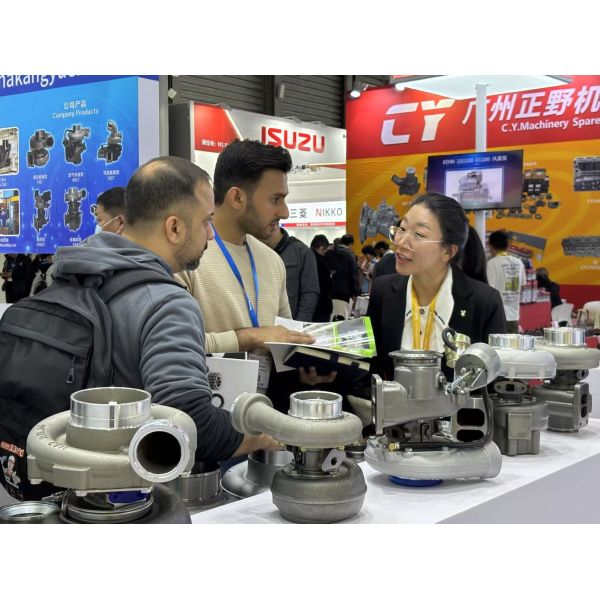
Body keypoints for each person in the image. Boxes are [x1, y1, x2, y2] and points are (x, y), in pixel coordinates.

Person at [51, 156, 279, 466]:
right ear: (174, 227)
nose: (211, 235)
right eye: (206, 222)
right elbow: (187, 424)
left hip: (57, 463)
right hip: (124, 481)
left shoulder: (68, 275)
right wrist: (260, 437)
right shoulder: (167, 303)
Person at [368, 193, 507, 381]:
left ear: (448, 251)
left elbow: (495, 380)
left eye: (418, 234)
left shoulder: (484, 302)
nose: (400, 242)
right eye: (402, 229)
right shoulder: (383, 291)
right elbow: (372, 365)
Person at [265, 225, 319, 321]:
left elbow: (309, 293)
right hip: (260, 324)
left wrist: (298, 326)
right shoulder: (252, 250)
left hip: (289, 323)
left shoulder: (301, 251)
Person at [486, 229, 526, 334]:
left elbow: (489, 291)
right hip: (514, 315)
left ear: (490, 245)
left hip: (497, 316)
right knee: (513, 343)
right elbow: (522, 287)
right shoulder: (519, 263)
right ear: (507, 245)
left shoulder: (492, 263)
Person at [325, 233, 360, 304]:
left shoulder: (329, 253)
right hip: (345, 290)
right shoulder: (350, 255)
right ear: (350, 244)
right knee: (343, 309)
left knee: (334, 308)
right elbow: (353, 275)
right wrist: (355, 292)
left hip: (331, 288)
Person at [310, 234, 333, 322]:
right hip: (321, 305)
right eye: (325, 251)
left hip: (307, 305)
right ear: (321, 248)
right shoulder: (322, 263)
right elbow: (327, 285)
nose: (325, 253)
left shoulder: (304, 258)